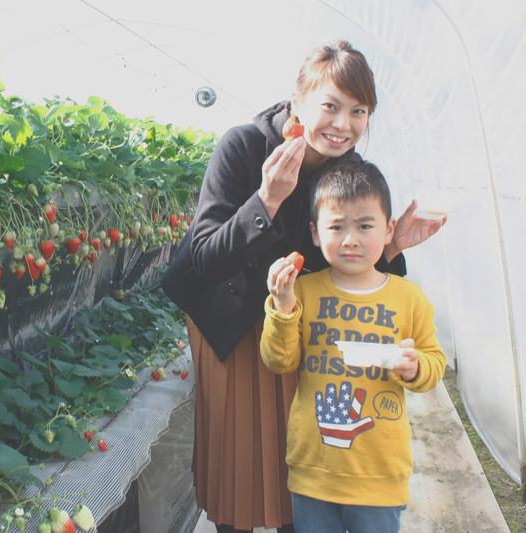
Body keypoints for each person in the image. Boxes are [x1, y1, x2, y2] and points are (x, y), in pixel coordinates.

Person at [160, 40, 446, 533]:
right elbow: (204, 258)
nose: (343, 124)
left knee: (295, 445)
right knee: (237, 454)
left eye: (359, 111)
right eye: (330, 106)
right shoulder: (244, 147)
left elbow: (344, 261)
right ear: (299, 103)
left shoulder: (346, 172)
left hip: (295, 318)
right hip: (227, 318)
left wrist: (393, 248)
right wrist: (266, 200)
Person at [260, 156, 447, 532]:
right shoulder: (304, 292)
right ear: (315, 233)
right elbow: (279, 361)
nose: (350, 239)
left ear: (390, 229)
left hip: (379, 475)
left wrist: (415, 368)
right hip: (314, 469)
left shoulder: (409, 300)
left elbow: (434, 362)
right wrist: (282, 306)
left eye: (365, 226)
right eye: (336, 226)